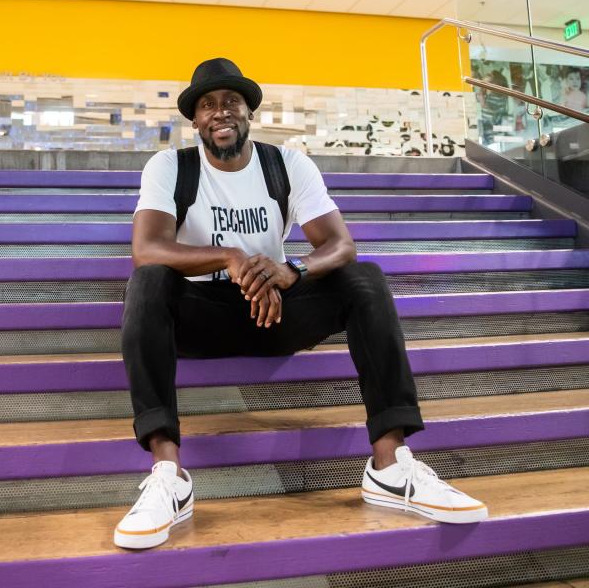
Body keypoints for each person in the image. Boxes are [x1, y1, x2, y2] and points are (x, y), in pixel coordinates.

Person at [113, 58, 488, 550]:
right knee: (147, 282)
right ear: (195, 120)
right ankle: (168, 473)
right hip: (201, 313)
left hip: (275, 310)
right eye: (208, 105)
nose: (219, 112)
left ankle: (390, 465)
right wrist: (232, 256)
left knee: (363, 277)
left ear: (249, 113)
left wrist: (293, 270)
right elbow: (148, 248)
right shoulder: (170, 167)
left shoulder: (287, 165)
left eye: (231, 102)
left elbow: (340, 244)